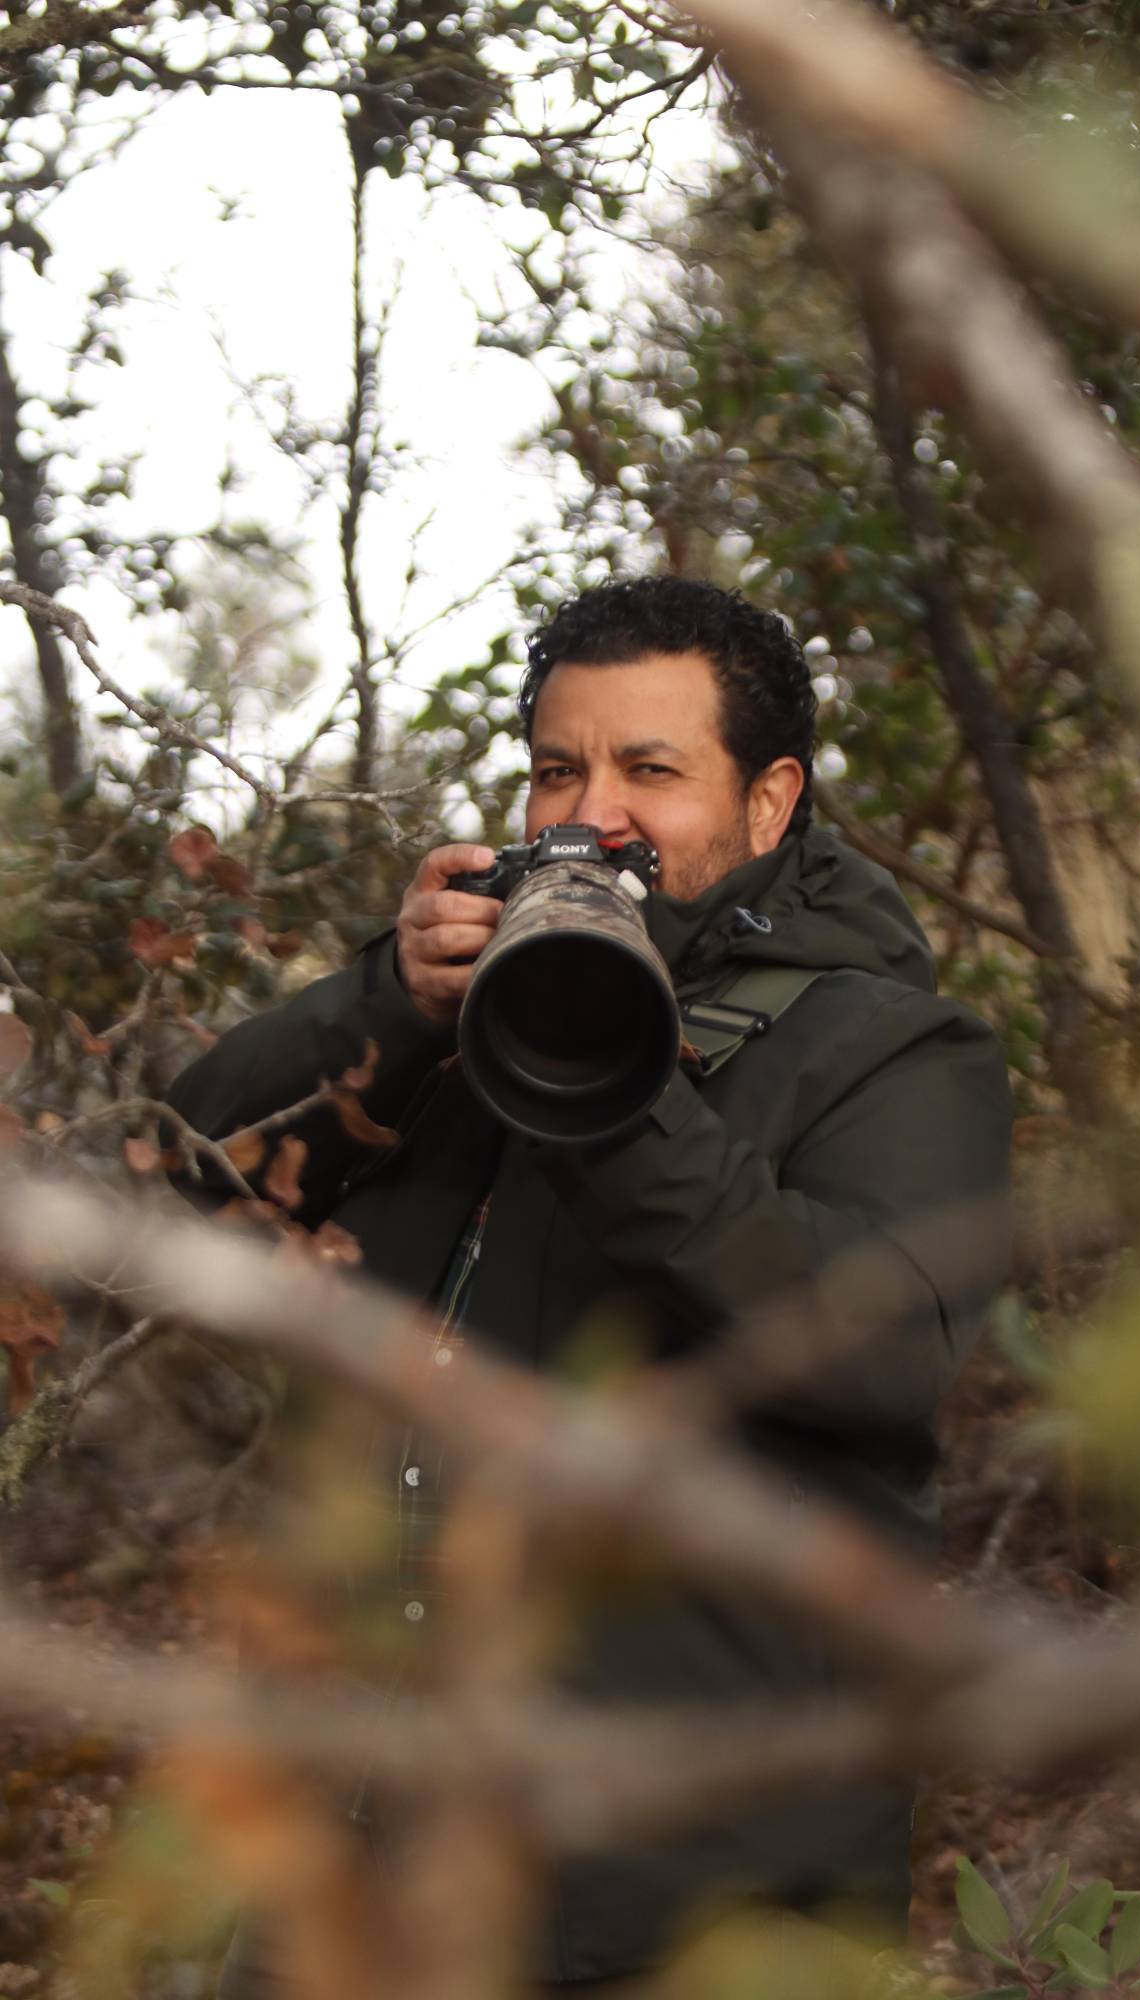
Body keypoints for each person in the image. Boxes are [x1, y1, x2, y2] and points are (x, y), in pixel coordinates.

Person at [165, 576, 1013, 1995]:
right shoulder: (449, 1029)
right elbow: (183, 1187)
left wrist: (600, 1076)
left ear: (768, 800)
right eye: (560, 769)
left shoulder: (894, 1051)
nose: (594, 814)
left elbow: (877, 1356)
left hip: (692, 1904)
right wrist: (385, 1002)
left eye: (651, 769)